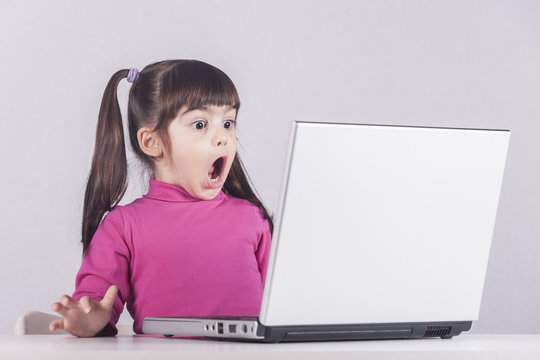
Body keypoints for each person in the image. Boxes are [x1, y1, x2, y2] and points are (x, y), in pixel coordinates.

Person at [48, 60, 274, 337]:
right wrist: (88, 320)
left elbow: (284, 303)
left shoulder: (252, 217)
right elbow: (95, 303)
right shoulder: (123, 225)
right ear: (151, 142)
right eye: (201, 124)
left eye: (228, 122)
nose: (223, 137)